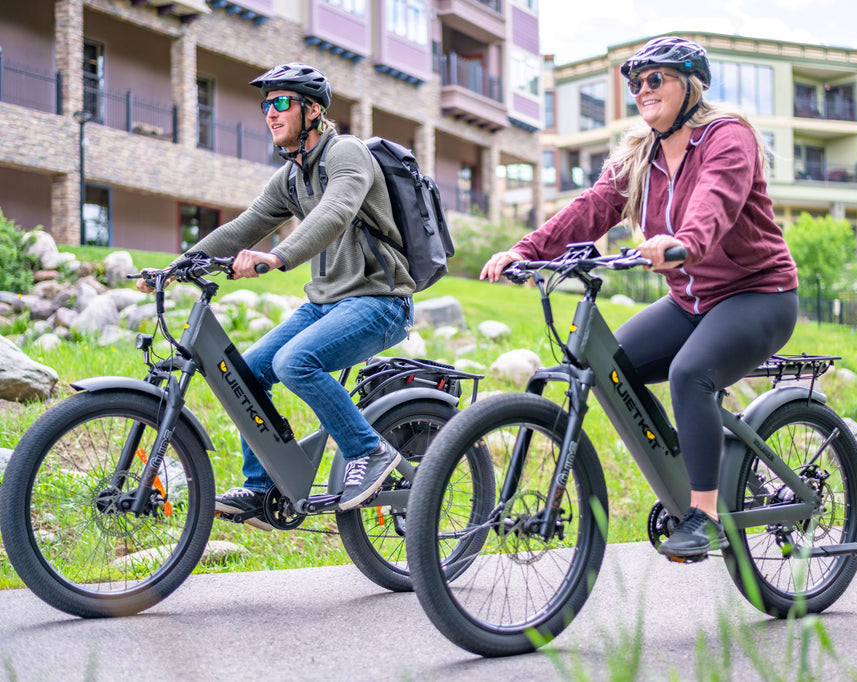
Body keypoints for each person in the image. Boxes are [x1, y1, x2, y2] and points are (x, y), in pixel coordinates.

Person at [480, 36, 799, 560]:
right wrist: (527, 250)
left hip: (757, 294)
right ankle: (692, 456)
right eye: (636, 82)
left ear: (691, 85)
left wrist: (683, 245)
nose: (643, 90)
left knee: (688, 374)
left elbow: (715, 200)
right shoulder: (641, 154)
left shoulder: (727, 137)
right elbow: (593, 206)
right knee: (612, 368)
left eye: (656, 79)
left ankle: (705, 514)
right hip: (690, 301)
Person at [137, 63, 415, 530]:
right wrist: (176, 267)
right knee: (242, 373)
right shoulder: (291, 176)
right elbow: (244, 227)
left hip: (379, 301)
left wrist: (279, 256)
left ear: (313, 110)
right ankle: (263, 487)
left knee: (294, 362)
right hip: (327, 303)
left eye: (281, 102)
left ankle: (370, 451)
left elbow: (335, 211)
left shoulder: (346, 154)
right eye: (266, 104)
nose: (270, 112)